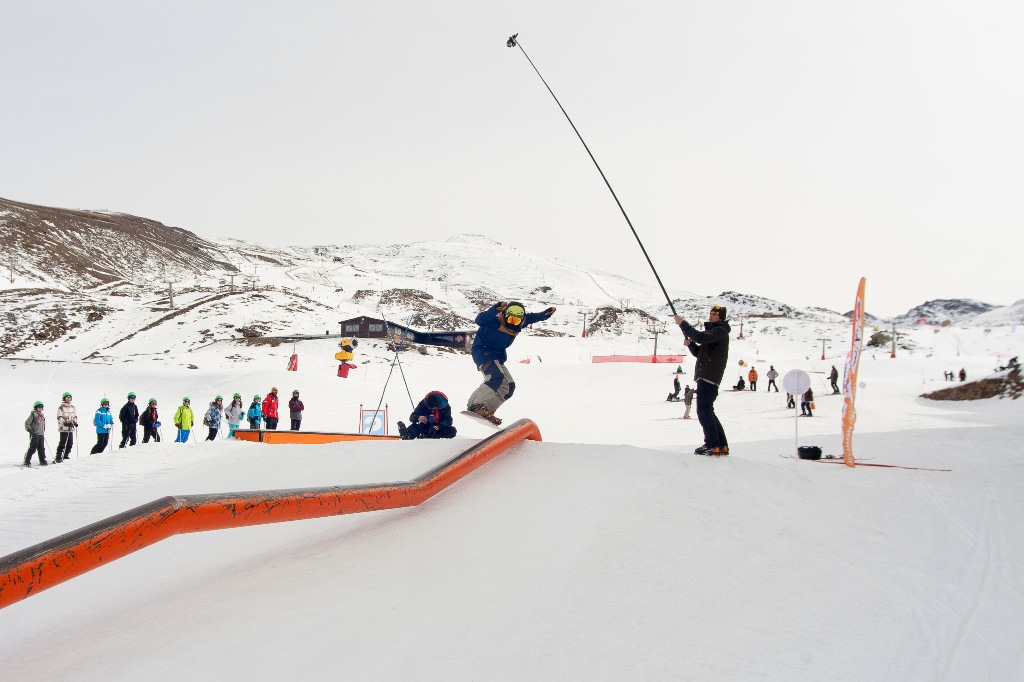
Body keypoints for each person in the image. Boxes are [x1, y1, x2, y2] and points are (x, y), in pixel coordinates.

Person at [466, 301, 555, 425]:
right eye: (511, 319)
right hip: (483, 352)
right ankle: (475, 406)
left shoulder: (521, 322)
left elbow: (531, 317)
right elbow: (479, 320)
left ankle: (487, 410)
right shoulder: (494, 321)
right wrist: (494, 309)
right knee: (495, 376)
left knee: (508, 387)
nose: (513, 323)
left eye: (516, 321)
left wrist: (544, 315)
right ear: (505, 315)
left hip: (497, 357)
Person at [675, 304, 731, 456]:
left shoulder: (720, 331)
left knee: (703, 410)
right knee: (708, 410)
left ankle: (712, 445)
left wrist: (683, 324)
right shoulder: (715, 332)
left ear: (720, 317)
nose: (711, 316)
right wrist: (691, 345)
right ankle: (721, 445)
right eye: (711, 313)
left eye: (714, 314)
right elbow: (700, 352)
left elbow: (700, 337)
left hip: (709, 376)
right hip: (707, 375)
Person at [55, 392, 78, 462]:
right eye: (67, 397)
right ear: (64, 398)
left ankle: (66, 455)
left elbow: (74, 416)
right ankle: (58, 456)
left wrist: (75, 422)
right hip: (63, 428)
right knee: (63, 442)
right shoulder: (61, 407)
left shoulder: (72, 407)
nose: (68, 398)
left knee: (70, 442)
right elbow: (59, 417)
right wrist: (65, 423)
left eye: (69, 397)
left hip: (70, 427)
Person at [24, 401, 48, 467]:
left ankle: (42, 460)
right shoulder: (33, 414)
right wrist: (31, 431)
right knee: (33, 448)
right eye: (38, 407)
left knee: (41, 448)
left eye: (41, 407)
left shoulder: (42, 415)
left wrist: (43, 431)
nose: (40, 408)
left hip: (41, 434)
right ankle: (27, 461)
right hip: (35, 434)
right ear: (36, 407)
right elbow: (27, 423)